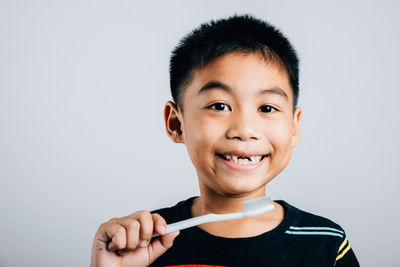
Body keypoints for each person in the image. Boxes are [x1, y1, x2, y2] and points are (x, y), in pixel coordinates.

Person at [90, 14, 360, 267]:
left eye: (267, 108)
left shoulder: (325, 244)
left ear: (293, 127)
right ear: (176, 123)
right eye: (219, 106)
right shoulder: (145, 243)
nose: (244, 129)